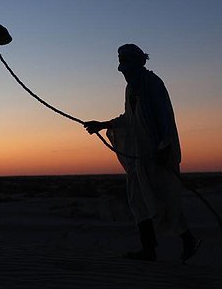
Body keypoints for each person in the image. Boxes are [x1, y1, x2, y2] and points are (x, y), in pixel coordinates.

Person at [84, 44, 200, 262]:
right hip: (140, 156)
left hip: (158, 156)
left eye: (125, 63)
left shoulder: (153, 84)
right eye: (121, 63)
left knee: (165, 200)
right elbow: (129, 119)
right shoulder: (131, 89)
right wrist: (102, 124)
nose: (122, 69)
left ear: (136, 63)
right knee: (138, 201)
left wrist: (164, 148)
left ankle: (188, 240)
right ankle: (149, 250)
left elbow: (165, 119)